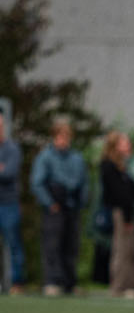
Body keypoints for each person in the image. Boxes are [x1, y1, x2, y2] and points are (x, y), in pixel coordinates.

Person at [31, 118, 88, 296]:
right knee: (52, 245)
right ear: (54, 137)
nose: (63, 140)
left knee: (71, 246)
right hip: (55, 207)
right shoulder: (45, 157)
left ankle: (70, 282)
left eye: (66, 137)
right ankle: (52, 281)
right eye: (60, 137)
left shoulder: (77, 158)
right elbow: (37, 183)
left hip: (72, 206)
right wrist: (49, 203)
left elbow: (83, 182)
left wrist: (81, 202)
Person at [99, 131, 134, 297]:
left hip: (127, 212)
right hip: (121, 213)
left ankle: (132, 284)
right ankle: (119, 286)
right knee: (122, 250)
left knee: (131, 250)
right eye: (123, 142)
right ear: (115, 145)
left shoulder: (121, 165)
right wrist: (128, 216)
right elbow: (120, 194)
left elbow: (133, 187)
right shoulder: (108, 166)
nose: (127, 145)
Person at [0, 112, 23, 294]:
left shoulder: (12, 149)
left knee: (13, 244)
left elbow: (9, 173)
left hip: (8, 203)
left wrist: (4, 170)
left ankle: (17, 283)